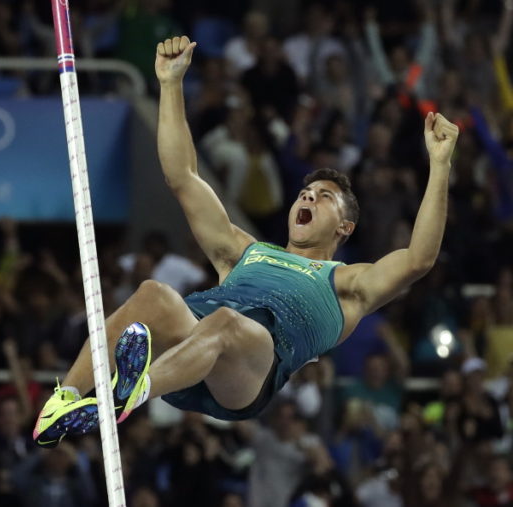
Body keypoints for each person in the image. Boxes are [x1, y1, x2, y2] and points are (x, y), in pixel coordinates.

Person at [33, 35, 460, 448]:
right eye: (305, 193)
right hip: (189, 348)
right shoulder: (245, 252)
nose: (308, 196)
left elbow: (419, 259)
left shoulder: (347, 285)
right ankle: (63, 401)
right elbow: (182, 177)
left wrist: (439, 166)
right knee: (154, 295)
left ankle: (127, 396)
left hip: (245, 372)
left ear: (344, 227)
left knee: (226, 323)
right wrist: (170, 85)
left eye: (324, 197)